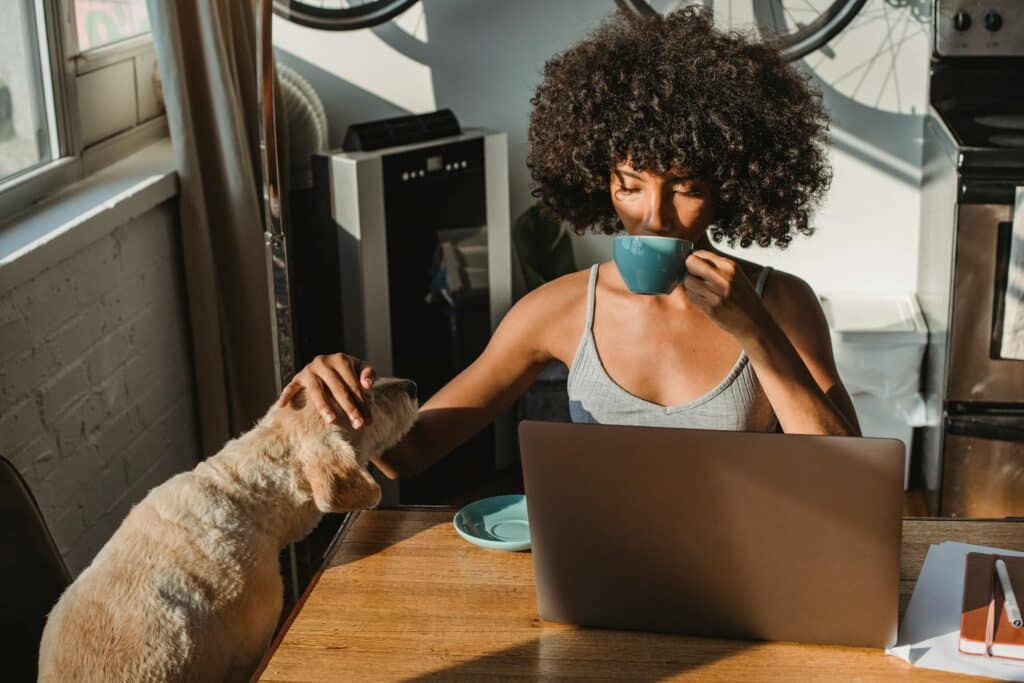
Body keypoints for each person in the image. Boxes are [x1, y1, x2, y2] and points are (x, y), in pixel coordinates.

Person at [276, 7, 860, 480]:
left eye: (685, 188)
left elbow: (849, 477)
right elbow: (408, 454)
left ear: (731, 189)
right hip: (599, 566)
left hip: (745, 565)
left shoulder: (778, 303)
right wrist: (343, 398)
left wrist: (756, 331)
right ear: (598, 179)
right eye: (629, 186)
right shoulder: (556, 311)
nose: (653, 217)